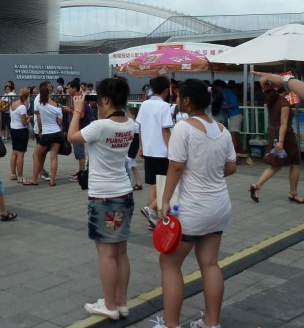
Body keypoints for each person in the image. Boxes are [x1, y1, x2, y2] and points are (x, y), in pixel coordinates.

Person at [158, 79, 237, 328]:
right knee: (210, 263)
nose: (176, 100)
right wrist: (208, 173)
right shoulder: (222, 129)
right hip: (219, 206)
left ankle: (171, 325)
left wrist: (165, 200)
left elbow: (176, 166)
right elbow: (231, 167)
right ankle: (211, 323)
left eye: (178, 96)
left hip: (194, 208)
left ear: (187, 101)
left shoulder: (184, 128)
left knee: (169, 263)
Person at [68, 77, 134, 321]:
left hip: (104, 197)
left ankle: (109, 305)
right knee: (121, 253)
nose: (96, 105)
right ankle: (121, 302)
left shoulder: (99, 127)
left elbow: (71, 136)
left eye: (98, 100)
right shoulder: (130, 124)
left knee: (106, 254)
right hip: (124, 193)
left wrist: (77, 111)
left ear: (106, 99)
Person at [249, 76, 304, 204]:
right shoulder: (284, 102)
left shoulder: (273, 100)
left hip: (274, 134)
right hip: (285, 137)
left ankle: (257, 186)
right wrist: (281, 141)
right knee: (295, 163)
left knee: (276, 164)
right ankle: (293, 192)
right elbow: (283, 124)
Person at [136, 76, 173, 229]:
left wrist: (141, 146)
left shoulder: (144, 104)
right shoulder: (164, 106)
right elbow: (165, 129)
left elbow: (140, 127)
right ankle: (151, 209)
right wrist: (172, 149)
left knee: (153, 184)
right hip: (162, 151)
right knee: (167, 185)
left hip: (149, 150)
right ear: (166, 90)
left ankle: (153, 219)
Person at [24, 83, 63, 186]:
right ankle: (52, 181)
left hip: (46, 133)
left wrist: (41, 129)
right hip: (57, 133)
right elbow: (60, 122)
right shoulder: (57, 106)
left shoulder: (40, 105)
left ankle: (34, 179)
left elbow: (38, 116)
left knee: (36, 155)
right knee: (54, 157)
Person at [9, 87, 30, 182]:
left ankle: (13, 174)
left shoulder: (13, 104)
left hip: (13, 129)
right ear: (27, 97)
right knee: (20, 154)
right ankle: (20, 176)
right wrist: (28, 119)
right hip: (21, 131)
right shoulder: (22, 107)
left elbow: (11, 116)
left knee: (14, 152)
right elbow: (24, 123)